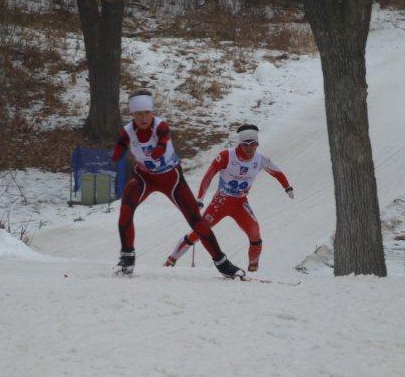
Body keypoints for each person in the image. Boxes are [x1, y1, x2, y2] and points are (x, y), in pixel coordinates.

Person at [111, 90, 244, 278]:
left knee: (196, 220)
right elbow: (121, 143)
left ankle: (223, 264)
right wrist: (117, 153)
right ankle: (127, 259)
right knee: (125, 211)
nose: (143, 118)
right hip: (144, 177)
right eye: (138, 114)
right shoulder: (127, 130)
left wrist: (159, 149)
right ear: (131, 114)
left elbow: (164, 140)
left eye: (146, 113)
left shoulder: (160, 126)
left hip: (170, 178)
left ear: (152, 112)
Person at [164, 124, 293, 272]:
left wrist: (287, 187)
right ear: (240, 144)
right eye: (246, 145)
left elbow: (277, 172)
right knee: (199, 232)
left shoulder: (260, 159)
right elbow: (209, 175)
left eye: (254, 144)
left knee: (255, 232)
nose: (250, 149)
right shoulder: (227, 156)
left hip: (240, 203)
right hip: (221, 202)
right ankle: (171, 260)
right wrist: (200, 198)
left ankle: (253, 269)